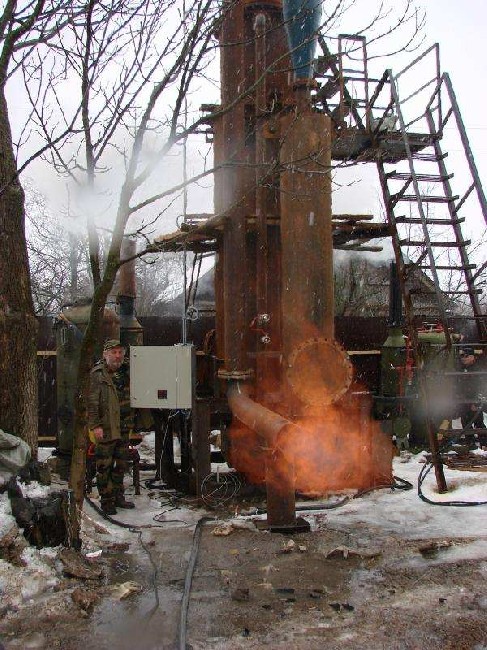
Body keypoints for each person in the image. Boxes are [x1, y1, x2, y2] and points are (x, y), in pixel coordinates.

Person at [88, 339, 135, 514]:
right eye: (113, 352)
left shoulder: (127, 371)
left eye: (120, 352)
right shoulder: (98, 374)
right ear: (105, 354)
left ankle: (118, 496)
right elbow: (92, 403)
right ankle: (107, 501)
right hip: (107, 427)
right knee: (104, 466)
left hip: (124, 425)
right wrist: (96, 426)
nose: (117, 356)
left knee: (121, 464)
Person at [457, 346, 486, 448]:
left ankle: (484, 443)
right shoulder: (461, 368)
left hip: (474, 399)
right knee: (465, 422)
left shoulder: (477, 369)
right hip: (464, 399)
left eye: (466, 356)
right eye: (462, 356)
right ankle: (470, 444)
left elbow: (481, 386)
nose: (463, 358)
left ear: (472, 357)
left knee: (478, 421)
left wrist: (476, 402)